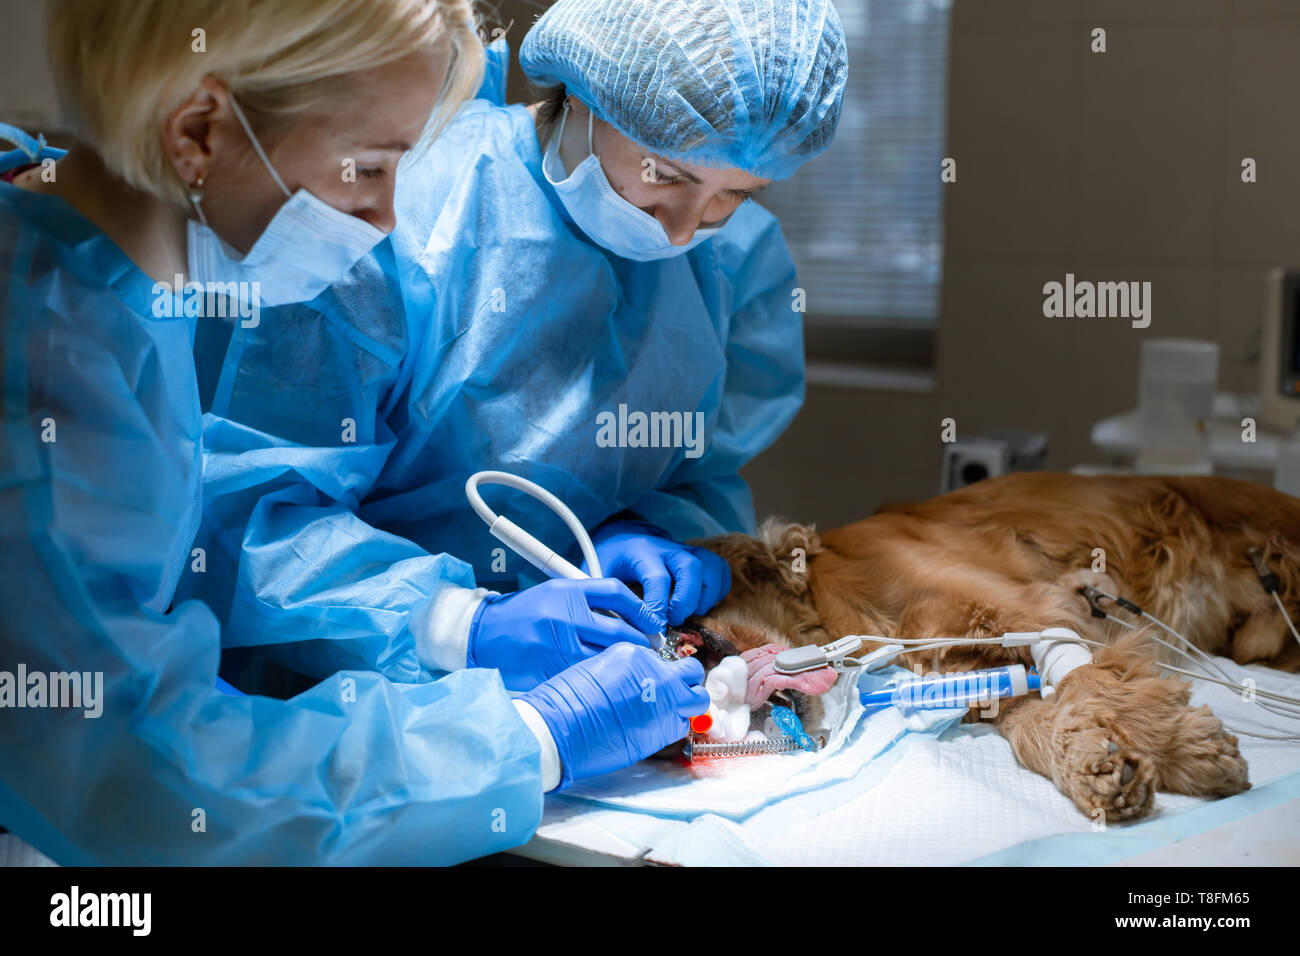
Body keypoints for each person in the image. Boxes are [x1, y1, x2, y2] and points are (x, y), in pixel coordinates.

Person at [0, 0, 707, 866]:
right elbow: (133, 772)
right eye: (367, 168)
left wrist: (456, 630)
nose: (387, 222)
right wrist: (528, 738)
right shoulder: (43, 371)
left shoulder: (106, 285)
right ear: (196, 132)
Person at [187, 0, 849, 694]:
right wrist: (457, 625)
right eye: (666, 176)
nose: (685, 230)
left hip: (590, 678)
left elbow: (698, 472)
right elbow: (254, 518)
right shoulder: (393, 214)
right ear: (585, 90)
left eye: (734, 194)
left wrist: (648, 530)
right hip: (343, 705)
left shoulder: (735, 264)